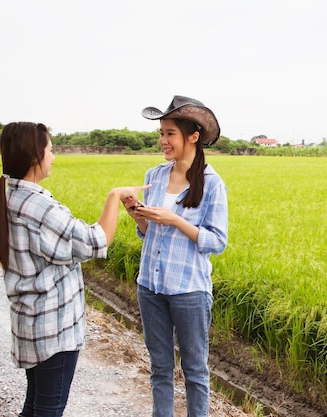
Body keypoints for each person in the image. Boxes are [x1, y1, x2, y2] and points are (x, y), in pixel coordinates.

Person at [0, 121, 148, 417]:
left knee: (35, 404)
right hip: (53, 326)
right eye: (50, 150)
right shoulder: (38, 206)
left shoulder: (11, 193)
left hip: (30, 320)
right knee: (49, 409)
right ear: (34, 156)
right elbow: (95, 241)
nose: (54, 156)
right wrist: (115, 196)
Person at [123, 95, 228, 417]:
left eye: (170, 133)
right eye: (161, 133)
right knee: (160, 367)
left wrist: (175, 220)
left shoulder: (211, 183)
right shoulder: (154, 175)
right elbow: (146, 232)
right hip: (150, 285)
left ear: (192, 136)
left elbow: (217, 241)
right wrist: (137, 214)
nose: (163, 141)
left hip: (189, 290)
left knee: (195, 371)